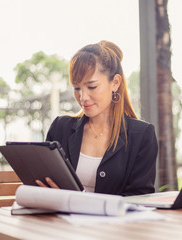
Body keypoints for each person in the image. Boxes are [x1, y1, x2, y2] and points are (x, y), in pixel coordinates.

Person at [36, 40, 158, 196]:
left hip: (114, 220)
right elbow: (43, 183)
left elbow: (139, 200)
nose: (83, 97)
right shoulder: (61, 128)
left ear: (115, 83)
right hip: (61, 219)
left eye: (92, 87)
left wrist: (75, 201)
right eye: (76, 88)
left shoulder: (141, 135)